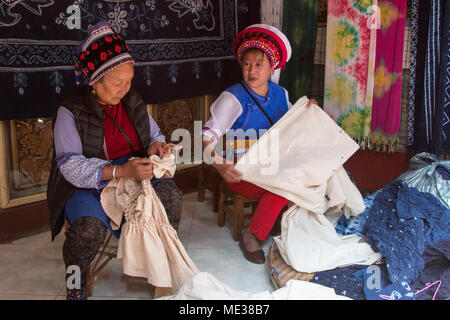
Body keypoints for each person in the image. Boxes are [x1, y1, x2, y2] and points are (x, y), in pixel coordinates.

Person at [47, 22, 182, 300]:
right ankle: (76, 283)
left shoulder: (132, 100)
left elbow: (152, 133)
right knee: (86, 230)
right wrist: (118, 171)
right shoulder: (69, 111)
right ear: (95, 81)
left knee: (169, 195)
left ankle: (161, 266)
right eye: (117, 83)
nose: (125, 88)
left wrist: (156, 145)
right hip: (89, 182)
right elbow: (69, 165)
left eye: (129, 80)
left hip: (133, 171)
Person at [201, 24, 315, 264]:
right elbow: (206, 137)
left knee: (307, 176)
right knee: (283, 186)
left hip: (273, 163)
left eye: (259, 64)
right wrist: (217, 161)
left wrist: (309, 111)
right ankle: (252, 235)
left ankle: (285, 228)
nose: (251, 70)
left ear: (272, 67)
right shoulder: (232, 97)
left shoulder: (280, 94)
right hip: (240, 169)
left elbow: (295, 124)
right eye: (247, 64)